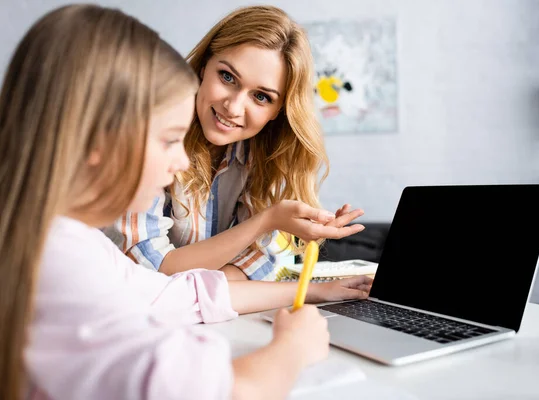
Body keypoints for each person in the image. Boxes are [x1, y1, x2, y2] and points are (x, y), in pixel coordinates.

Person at [0, 5, 372, 400]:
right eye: (166, 140)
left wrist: (313, 289)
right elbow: (223, 389)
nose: (179, 161)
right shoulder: (65, 265)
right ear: (96, 136)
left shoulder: (73, 245)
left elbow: (184, 292)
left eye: (261, 96)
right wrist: (292, 351)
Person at [103, 5, 365, 281]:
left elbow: (257, 268)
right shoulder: (145, 136)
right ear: (204, 67)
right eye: (227, 77)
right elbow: (151, 273)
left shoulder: (268, 158)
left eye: (261, 96)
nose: (233, 107)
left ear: (279, 110)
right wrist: (263, 222)